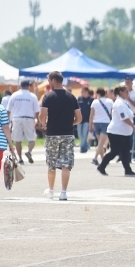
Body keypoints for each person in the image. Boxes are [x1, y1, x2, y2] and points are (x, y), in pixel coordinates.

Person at [39, 71, 82, 201]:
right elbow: (79, 118)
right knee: (66, 164)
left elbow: (41, 116)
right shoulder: (71, 97)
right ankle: (63, 192)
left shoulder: (48, 97)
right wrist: (71, 123)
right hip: (68, 134)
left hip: (52, 134)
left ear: (53, 80)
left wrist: (44, 124)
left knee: (51, 163)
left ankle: (51, 190)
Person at [96, 86, 135, 177]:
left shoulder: (124, 102)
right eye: (126, 91)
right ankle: (102, 166)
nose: (128, 93)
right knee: (115, 151)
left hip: (125, 132)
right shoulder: (119, 103)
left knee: (126, 151)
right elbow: (124, 117)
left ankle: (128, 170)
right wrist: (132, 125)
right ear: (120, 92)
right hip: (116, 132)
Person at [7, 79, 41, 165]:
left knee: (18, 140)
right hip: (29, 118)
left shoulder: (14, 95)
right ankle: (29, 152)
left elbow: (8, 110)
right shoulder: (32, 96)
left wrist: (7, 120)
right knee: (32, 138)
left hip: (16, 118)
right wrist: (39, 121)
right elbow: (37, 111)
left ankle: (20, 158)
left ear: (20, 86)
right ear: (29, 86)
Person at [89, 88, 113, 165]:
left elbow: (91, 115)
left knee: (100, 143)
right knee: (101, 143)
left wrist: (90, 125)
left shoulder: (94, 102)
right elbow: (112, 113)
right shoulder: (110, 101)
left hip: (96, 123)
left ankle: (99, 159)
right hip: (106, 123)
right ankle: (99, 159)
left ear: (98, 94)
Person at [76, 87, 92, 153]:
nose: (81, 93)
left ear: (86, 91)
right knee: (80, 134)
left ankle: (82, 148)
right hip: (79, 119)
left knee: (84, 134)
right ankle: (86, 145)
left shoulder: (91, 99)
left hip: (87, 120)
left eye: (83, 91)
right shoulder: (79, 99)